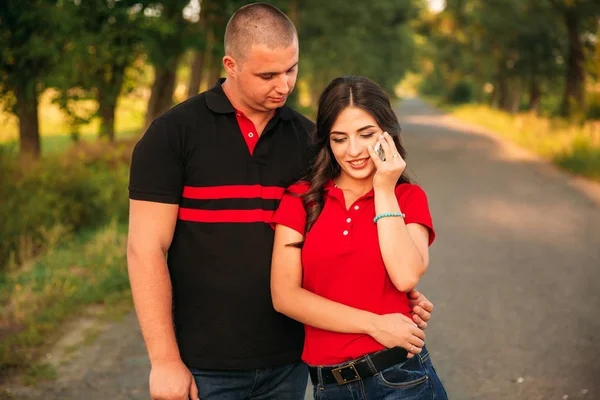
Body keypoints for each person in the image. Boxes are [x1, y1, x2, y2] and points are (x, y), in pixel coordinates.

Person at [127, 3, 434, 400]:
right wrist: (164, 359)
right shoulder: (173, 135)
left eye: (291, 69)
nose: (284, 85)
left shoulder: (311, 143)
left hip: (291, 364)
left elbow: (344, 236)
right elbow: (144, 248)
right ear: (231, 64)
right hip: (204, 365)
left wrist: (394, 292)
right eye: (268, 75)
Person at [270, 76, 448, 399]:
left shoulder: (407, 197)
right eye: (339, 139)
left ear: (387, 133)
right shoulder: (301, 199)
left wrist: (383, 188)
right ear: (327, 142)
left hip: (401, 380)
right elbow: (284, 296)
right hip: (330, 386)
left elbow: (406, 275)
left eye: (365, 135)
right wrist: (374, 324)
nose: (353, 151)